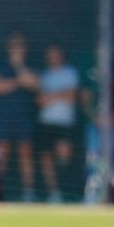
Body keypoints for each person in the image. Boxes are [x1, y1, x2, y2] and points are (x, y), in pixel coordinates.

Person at [0, 31, 40, 201]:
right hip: (4, 116)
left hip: (24, 117)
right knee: (0, 154)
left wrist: (19, 68)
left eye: (20, 46)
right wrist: (18, 82)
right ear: (8, 48)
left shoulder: (31, 65)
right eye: (14, 46)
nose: (17, 49)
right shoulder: (0, 66)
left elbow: (34, 83)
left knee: (25, 153)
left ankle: (29, 192)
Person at [36, 44, 79, 204]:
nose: (53, 56)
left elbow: (71, 96)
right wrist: (59, 94)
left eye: (56, 53)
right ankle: (55, 193)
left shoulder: (70, 72)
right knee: (46, 158)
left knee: (64, 154)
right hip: (46, 124)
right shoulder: (44, 75)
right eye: (50, 53)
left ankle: (68, 188)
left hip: (65, 124)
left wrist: (51, 96)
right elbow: (40, 101)